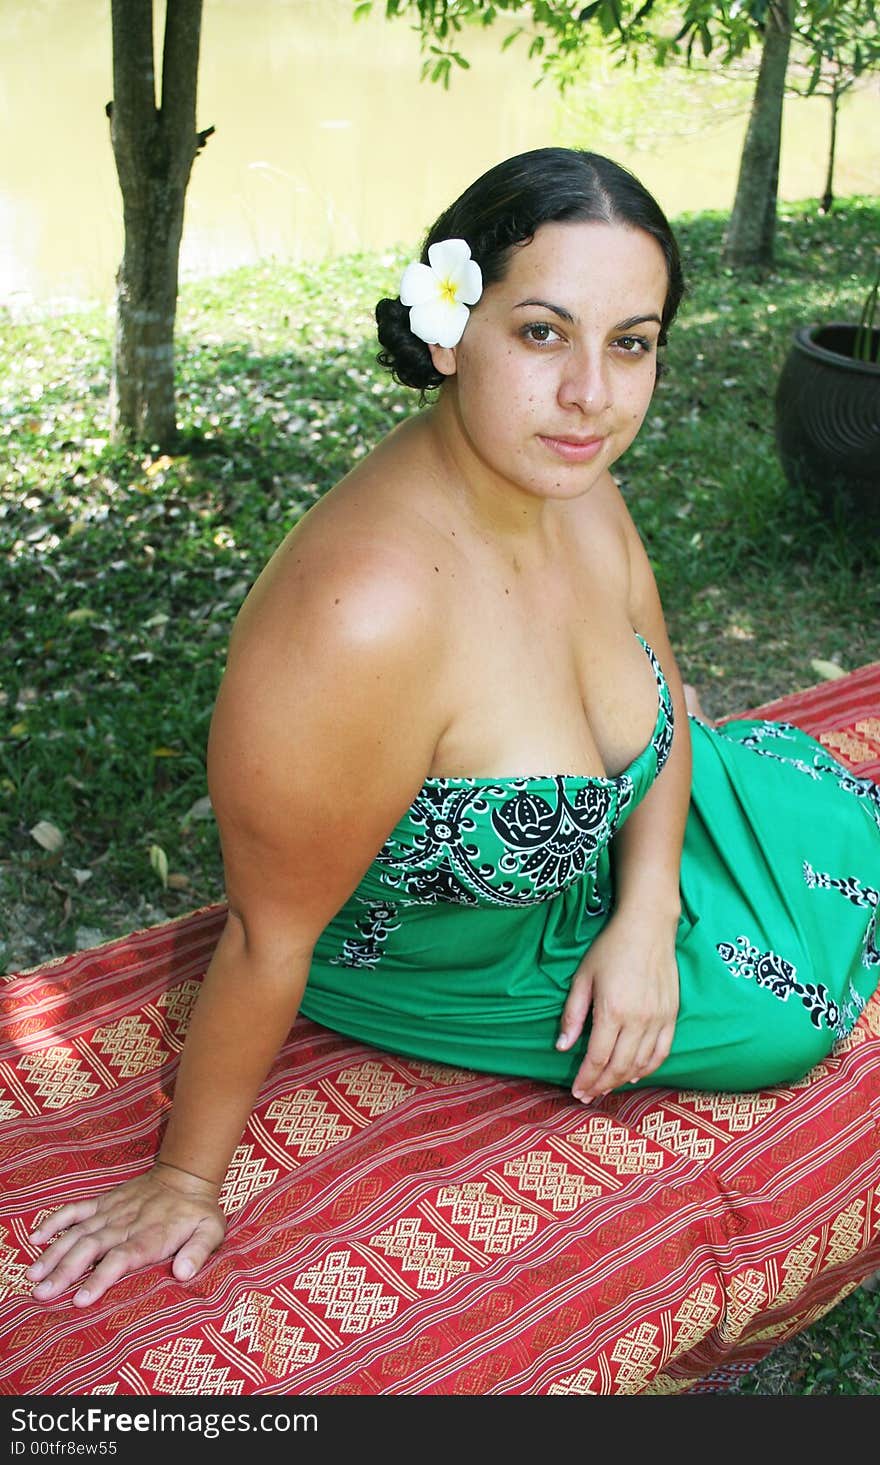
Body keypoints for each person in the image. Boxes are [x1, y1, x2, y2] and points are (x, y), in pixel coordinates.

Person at [27, 147, 880, 1310]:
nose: (592, 393)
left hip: (603, 875)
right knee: (781, 1019)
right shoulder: (362, 614)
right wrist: (185, 1175)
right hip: (455, 951)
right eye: (542, 333)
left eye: (630, 342)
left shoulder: (571, 480)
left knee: (806, 799)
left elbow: (667, 700)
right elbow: (267, 937)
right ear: (448, 333)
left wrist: (642, 918)